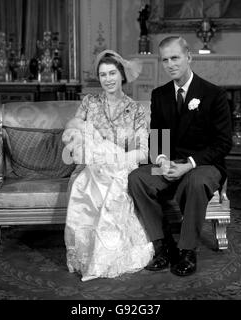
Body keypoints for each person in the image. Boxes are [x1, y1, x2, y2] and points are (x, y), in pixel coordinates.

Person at [128, 36, 232, 277]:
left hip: (204, 163)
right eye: (165, 60)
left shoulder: (214, 94)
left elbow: (223, 144)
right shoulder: (160, 94)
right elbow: (158, 136)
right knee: (137, 178)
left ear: (189, 58)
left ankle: (187, 250)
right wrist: (163, 161)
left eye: (175, 58)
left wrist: (189, 165)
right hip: (171, 162)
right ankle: (163, 244)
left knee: (195, 181)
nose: (170, 64)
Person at [63, 49, 154, 282]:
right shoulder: (90, 103)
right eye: (103, 74)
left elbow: (143, 151)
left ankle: (109, 255)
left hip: (120, 166)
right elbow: (74, 130)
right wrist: (79, 141)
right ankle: (88, 254)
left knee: (113, 190)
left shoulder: (135, 110)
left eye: (112, 73)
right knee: (84, 184)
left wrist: (114, 159)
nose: (108, 79)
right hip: (92, 166)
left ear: (122, 75)